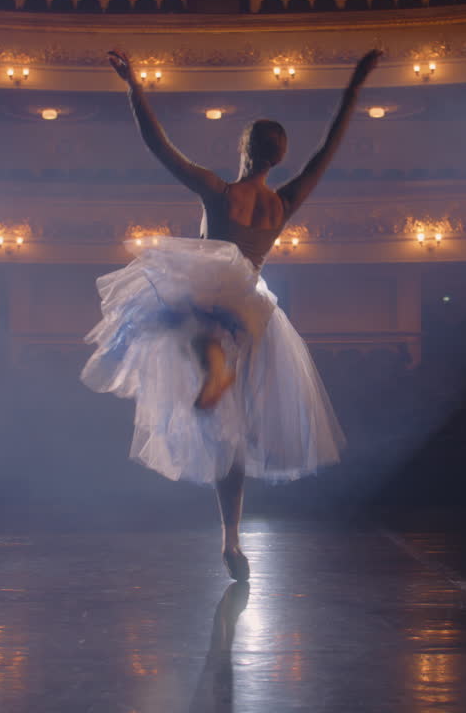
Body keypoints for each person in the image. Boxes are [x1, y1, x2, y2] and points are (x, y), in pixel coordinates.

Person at [82, 49, 381, 581]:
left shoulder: (220, 192)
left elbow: (160, 147)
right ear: (278, 159)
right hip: (255, 312)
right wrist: (355, 86)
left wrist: (133, 86)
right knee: (231, 434)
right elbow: (326, 153)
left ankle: (211, 363)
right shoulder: (282, 204)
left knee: (170, 307)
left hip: (219, 300)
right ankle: (231, 539)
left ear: (244, 148)